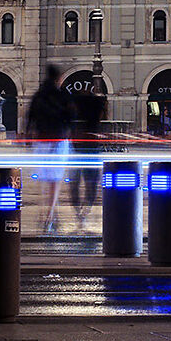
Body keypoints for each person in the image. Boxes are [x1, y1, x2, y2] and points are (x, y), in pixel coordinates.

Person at [25, 63, 73, 234]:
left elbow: (30, 116)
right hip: (58, 140)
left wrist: (28, 136)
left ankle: (45, 210)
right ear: (58, 78)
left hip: (41, 139)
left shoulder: (39, 95)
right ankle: (50, 214)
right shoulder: (62, 95)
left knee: (45, 178)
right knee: (55, 180)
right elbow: (70, 117)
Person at [68, 84, 105, 233]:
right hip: (92, 147)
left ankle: (79, 214)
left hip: (76, 148)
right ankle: (85, 211)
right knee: (91, 183)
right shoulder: (96, 107)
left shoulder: (74, 109)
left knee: (75, 183)